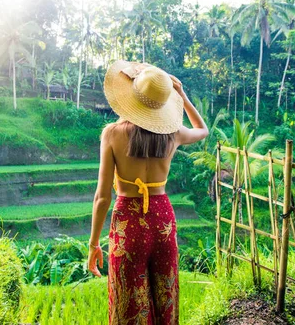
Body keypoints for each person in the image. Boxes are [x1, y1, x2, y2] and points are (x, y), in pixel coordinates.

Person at [87, 60, 208, 325]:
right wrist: (183, 97)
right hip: (163, 219)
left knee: (128, 301)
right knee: (165, 295)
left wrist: (94, 244)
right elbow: (203, 130)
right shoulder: (173, 133)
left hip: (128, 222)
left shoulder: (112, 134)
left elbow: (102, 197)